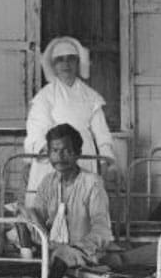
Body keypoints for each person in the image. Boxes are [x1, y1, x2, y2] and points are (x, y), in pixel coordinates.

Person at [19, 123, 113, 278]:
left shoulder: (92, 183)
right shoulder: (48, 182)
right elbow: (37, 218)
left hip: (82, 251)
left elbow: (102, 230)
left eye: (66, 151)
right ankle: (27, 271)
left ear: (78, 154)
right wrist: (27, 219)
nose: (60, 157)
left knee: (64, 254)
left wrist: (78, 248)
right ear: (49, 154)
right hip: (52, 247)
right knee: (22, 213)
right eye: (55, 151)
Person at [24, 37, 118, 196]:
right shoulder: (45, 96)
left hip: (83, 156)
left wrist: (106, 160)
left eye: (71, 59)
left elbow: (102, 133)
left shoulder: (91, 96)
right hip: (53, 159)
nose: (66, 64)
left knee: (82, 205)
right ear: (53, 66)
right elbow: (36, 130)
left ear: (78, 63)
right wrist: (51, 151)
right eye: (60, 60)